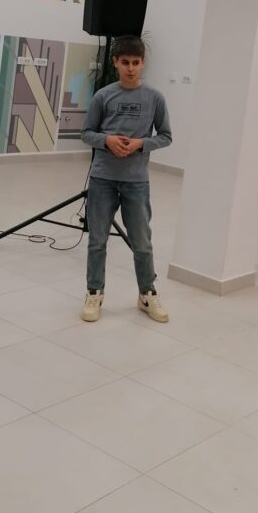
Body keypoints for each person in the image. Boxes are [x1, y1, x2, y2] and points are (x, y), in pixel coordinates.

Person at [80, 35, 172, 323]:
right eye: (125, 62)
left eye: (135, 62)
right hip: (103, 179)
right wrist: (106, 140)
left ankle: (147, 293)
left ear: (143, 63)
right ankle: (94, 293)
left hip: (136, 181)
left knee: (142, 242)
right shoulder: (103, 96)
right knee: (97, 240)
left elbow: (166, 136)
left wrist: (141, 144)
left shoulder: (155, 98)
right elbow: (86, 133)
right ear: (115, 63)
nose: (130, 68)